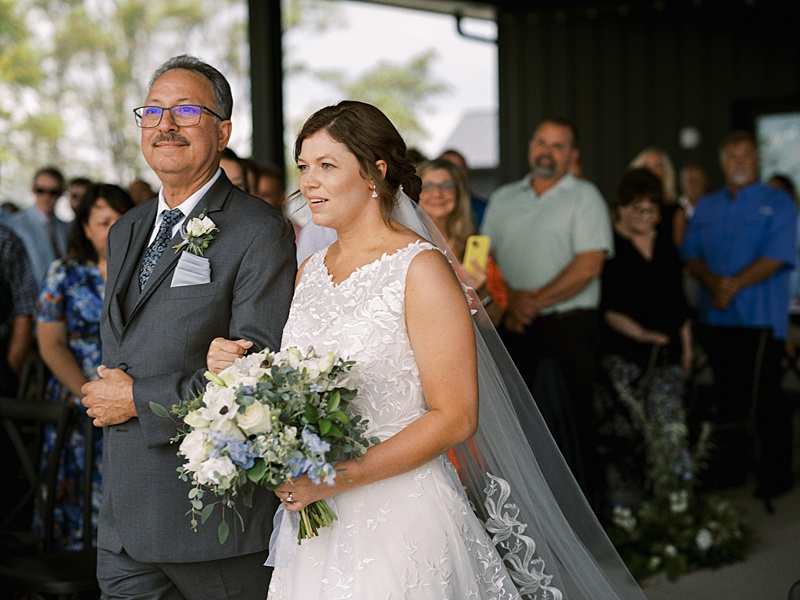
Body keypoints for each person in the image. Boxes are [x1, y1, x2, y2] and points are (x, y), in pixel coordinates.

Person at [209, 101, 645, 599]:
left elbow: (456, 416)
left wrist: (336, 478)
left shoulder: (420, 269)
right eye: (304, 166)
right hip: (318, 521)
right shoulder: (308, 273)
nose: (309, 182)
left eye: (327, 166)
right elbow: (297, 383)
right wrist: (242, 372)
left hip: (402, 516)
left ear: (375, 173)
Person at [80, 55, 296, 598]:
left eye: (185, 110)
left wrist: (137, 400)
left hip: (210, 523)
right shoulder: (126, 228)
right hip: (123, 526)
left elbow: (257, 377)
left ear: (223, 131)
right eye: (152, 110)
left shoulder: (258, 229)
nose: (165, 124)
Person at [481, 116, 613, 512]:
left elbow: (589, 264)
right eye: (541, 142)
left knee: (574, 425)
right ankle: (527, 516)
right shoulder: (504, 198)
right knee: (514, 427)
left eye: (558, 146)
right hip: (512, 326)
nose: (547, 151)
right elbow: (484, 258)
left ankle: (588, 521)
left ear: (572, 155)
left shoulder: (585, 196)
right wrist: (511, 303)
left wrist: (531, 301)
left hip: (567, 326)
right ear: (530, 147)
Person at [682, 131, 796, 507]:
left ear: (758, 159)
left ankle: (775, 475)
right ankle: (732, 470)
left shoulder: (778, 203)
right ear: (722, 162)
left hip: (762, 321)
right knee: (727, 400)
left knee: (767, 400)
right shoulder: (709, 206)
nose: (739, 162)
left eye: (746, 155)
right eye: (731, 156)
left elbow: (778, 255)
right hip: (717, 320)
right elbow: (691, 254)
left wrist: (732, 284)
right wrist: (714, 282)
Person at [33, 183, 134, 550]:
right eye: (104, 222)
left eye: (121, 221)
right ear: (87, 228)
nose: (113, 230)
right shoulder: (65, 272)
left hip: (131, 401)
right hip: (77, 400)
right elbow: (50, 343)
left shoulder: (145, 274)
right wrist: (89, 395)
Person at [597, 168, 692, 507]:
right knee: (625, 429)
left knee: (670, 425)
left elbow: (679, 302)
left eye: (651, 208)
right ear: (621, 208)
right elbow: (608, 309)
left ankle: (675, 504)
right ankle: (627, 509)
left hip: (666, 353)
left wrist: (687, 348)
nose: (646, 215)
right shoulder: (609, 249)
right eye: (637, 207)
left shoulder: (666, 244)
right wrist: (643, 334)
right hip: (624, 352)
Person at [417, 158, 505, 325]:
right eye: (427, 186)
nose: (437, 194)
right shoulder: (402, 244)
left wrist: (481, 291)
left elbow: (495, 321)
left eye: (447, 186)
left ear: (459, 193)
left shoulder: (472, 248)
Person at [11, 167, 71, 285]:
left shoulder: (66, 228)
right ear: (33, 190)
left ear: (61, 193)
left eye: (53, 192)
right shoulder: (16, 224)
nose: (46, 197)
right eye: (41, 190)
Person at [439, 148, 490, 227]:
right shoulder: (426, 208)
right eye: (448, 168)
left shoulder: (485, 210)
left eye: (459, 168)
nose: (455, 173)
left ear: (467, 172)